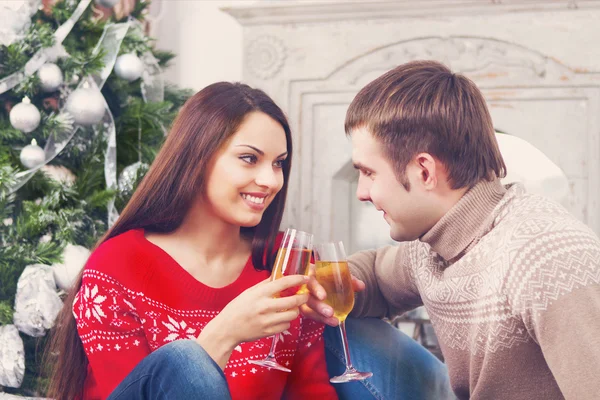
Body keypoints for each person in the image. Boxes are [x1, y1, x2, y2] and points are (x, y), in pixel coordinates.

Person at [304, 60, 600, 400]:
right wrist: (323, 287)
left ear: (425, 172)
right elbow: (373, 276)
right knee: (328, 326)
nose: (361, 192)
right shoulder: (430, 245)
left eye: (369, 173)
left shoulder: (548, 256)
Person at [46, 82, 338, 400]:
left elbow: (312, 390)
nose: (271, 181)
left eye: (278, 163)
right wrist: (225, 334)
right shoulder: (117, 264)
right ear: (197, 157)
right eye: (249, 159)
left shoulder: (288, 262)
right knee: (183, 360)